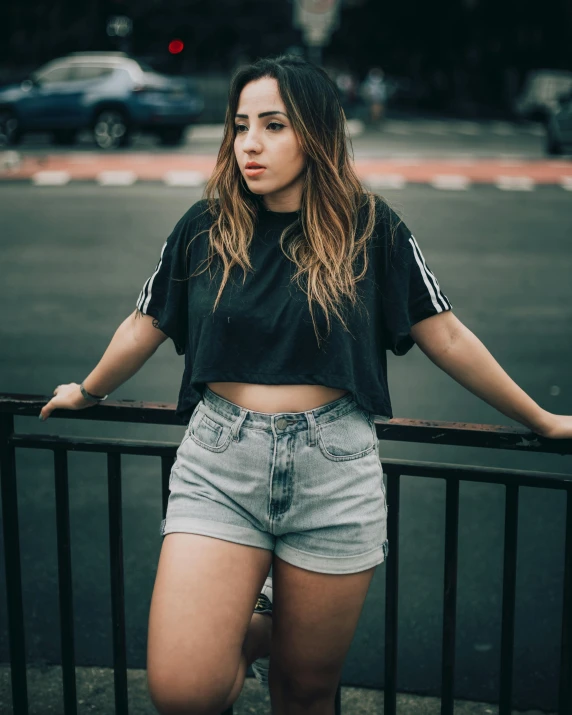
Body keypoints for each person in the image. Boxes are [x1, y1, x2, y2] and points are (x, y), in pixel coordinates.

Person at [38, 54, 572, 715]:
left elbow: (447, 334)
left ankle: (269, 619)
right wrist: (88, 390)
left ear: (316, 133)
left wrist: (544, 420)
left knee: (306, 690)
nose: (250, 144)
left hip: (334, 471)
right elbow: (146, 320)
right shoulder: (204, 227)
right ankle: (257, 620)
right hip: (217, 466)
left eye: (273, 125)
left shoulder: (371, 228)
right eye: (240, 126)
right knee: (183, 692)